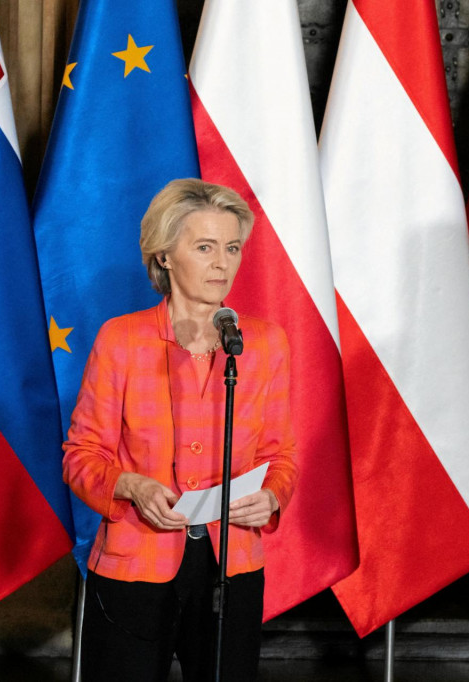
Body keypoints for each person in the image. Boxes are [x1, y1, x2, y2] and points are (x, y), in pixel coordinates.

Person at [63, 178, 298, 681]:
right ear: (165, 255)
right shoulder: (121, 339)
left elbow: (281, 455)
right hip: (135, 563)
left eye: (232, 247)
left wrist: (273, 496)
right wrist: (129, 484)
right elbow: (81, 455)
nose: (222, 263)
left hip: (230, 564)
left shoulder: (264, 343)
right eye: (205, 247)